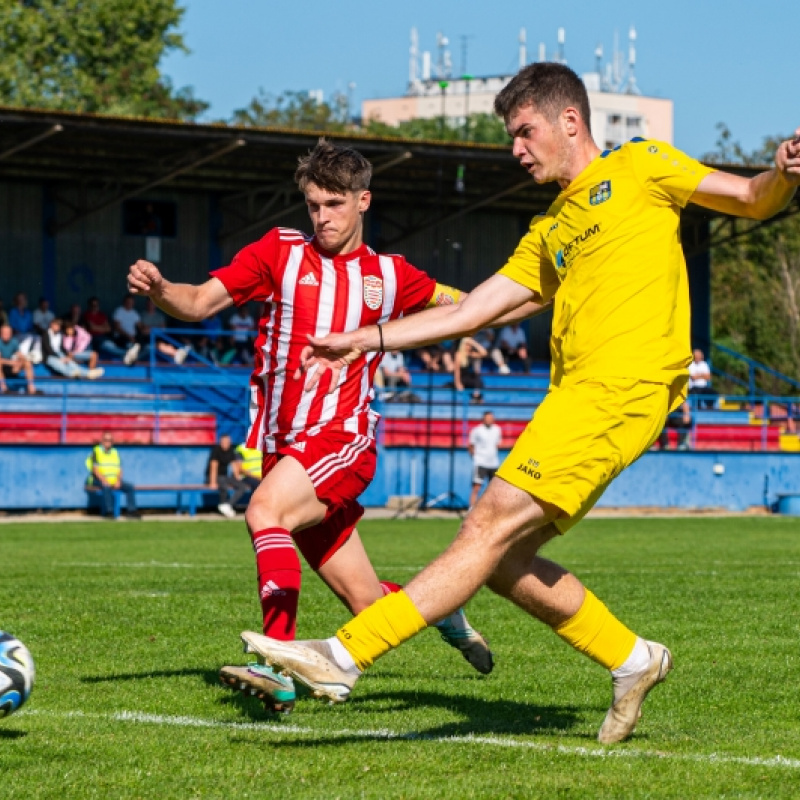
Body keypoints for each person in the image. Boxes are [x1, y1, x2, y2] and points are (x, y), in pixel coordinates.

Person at [243, 64, 800, 744]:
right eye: (512, 135)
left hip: (625, 385)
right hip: (574, 394)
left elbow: (750, 196)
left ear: (570, 121)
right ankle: (633, 659)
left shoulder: (644, 165)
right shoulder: (549, 229)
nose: (516, 148)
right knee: (503, 562)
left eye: (524, 131)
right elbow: (475, 310)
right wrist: (369, 337)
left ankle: (341, 657)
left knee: (485, 522)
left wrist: (786, 173)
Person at [126, 140, 534, 713]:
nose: (322, 217)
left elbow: (476, 306)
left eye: (334, 204)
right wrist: (162, 289)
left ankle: (277, 665)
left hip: (342, 438)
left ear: (363, 201)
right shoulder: (279, 253)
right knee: (368, 604)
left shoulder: (391, 277)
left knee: (263, 511)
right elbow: (196, 304)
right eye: (313, 204)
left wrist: (550, 301)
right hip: (285, 447)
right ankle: (442, 611)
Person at [86, 432, 140, 518]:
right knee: (106, 486)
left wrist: (118, 481)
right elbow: (95, 470)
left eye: (110, 440)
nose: (108, 442)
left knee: (130, 487)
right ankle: (109, 511)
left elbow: (120, 469)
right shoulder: (97, 451)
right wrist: (104, 480)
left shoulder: (115, 452)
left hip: (114, 480)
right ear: (102, 441)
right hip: (99, 480)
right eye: (106, 440)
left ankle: (131, 511)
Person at [206, 433, 251, 519]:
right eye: (224, 441)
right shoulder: (216, 451)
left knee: (242, 486)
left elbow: (234, 464)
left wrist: (237, 477)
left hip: (224, 476)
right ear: (221, 442)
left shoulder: (230, 450)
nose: (226, 443)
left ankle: (227, 505)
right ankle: (223, 505)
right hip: (214, 476)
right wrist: (212, 482)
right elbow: (213, 467)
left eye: (228, 442)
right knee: (224, 486)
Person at [468, 411, 502, 508]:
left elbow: (497, 444)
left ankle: (493, 509)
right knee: (476, 487)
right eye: (487, 418)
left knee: (494, 489)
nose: (489, 420)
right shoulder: (477, 430)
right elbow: (471, 445)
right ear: (483, 419)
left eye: (491, 418)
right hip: (481, 462)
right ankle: (471, 509)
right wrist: (476, 458)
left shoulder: (497, 429)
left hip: (493, 463)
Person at [0, 323, 37, 394]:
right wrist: (12, 362)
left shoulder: (14, 341)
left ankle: (31, 387)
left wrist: (21, 362)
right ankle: (4, 388)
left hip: (10, 367)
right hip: (2, 368)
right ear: (1, 333)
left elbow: (20, 354)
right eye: (5, 333)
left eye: (9, 333)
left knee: (27, 363)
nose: (7, 334)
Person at [453, 336, 487, 403]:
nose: (468, 346)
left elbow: (484, 353)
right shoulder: (458, 354)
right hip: (462, 378)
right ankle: (476, 397)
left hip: (470, 378)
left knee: (478, 378)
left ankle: (476, 396)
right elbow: (457, 370)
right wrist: (458, 383)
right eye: (467, 344)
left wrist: (474, 342)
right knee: (475, 379)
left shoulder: (471, 354)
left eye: (469, 345)